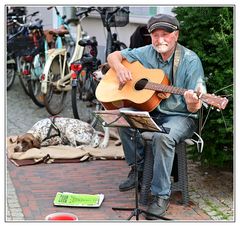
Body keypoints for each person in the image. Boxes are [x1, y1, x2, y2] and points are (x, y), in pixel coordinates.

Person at [107, 14, 206, 219]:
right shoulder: (146, 52)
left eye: (165, 34)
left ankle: (161, 195)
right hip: (152, 111)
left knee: (163, 137)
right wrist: (120, 68)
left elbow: (196, 106)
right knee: (123, 116)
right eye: (155, 35)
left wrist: (192, 101)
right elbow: (113, 56)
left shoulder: (190, 60)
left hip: (181, 117)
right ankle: (139, 170)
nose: (160, 39)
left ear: (176, 35)